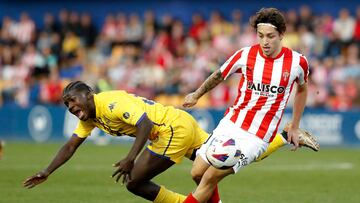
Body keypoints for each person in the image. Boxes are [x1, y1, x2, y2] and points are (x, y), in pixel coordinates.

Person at [23, 81, 318, 203]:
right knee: (224, 161)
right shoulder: (89, 117)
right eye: (69, 108)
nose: (74, 110)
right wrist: (47, 171)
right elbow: (71, 144)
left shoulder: (110, 103)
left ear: (88, 94)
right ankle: (285, 136)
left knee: (135, 181)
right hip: (179, 126)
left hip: (170, 129)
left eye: (74, 103)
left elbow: (144, 125)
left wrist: (129, 159)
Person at [182, 7, 315, 203]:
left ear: (281, 35)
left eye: (270, 36)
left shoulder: (297, 62)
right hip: (232, 123)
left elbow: (302, 90)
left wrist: (294, 125)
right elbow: (220, 74)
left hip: (257, 135)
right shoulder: (245, 55)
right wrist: (196, 94)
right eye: (260, 36)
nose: (265, 41)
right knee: (197, 173)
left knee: (210, 178)